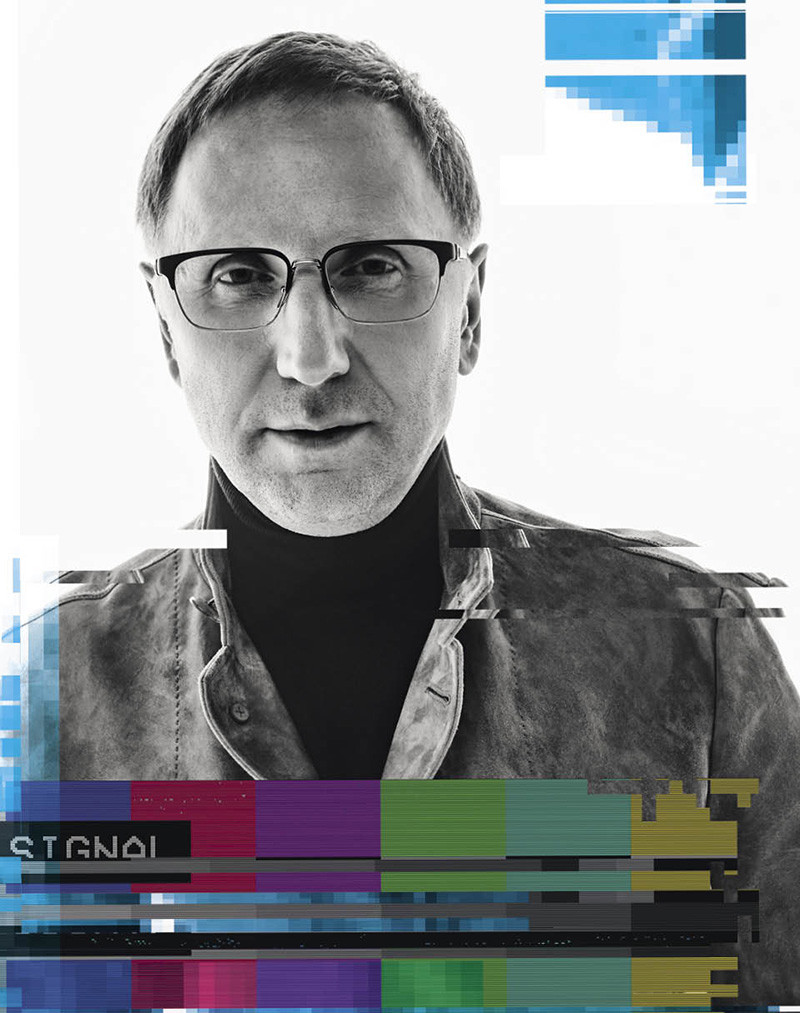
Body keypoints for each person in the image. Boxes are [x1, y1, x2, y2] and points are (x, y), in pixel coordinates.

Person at [35, 32, 797, 998]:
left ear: (469, 309)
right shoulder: (45, 707)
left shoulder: (693, 654)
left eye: (370, 266)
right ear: (164, 330)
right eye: (239, 274)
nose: (312, 357)